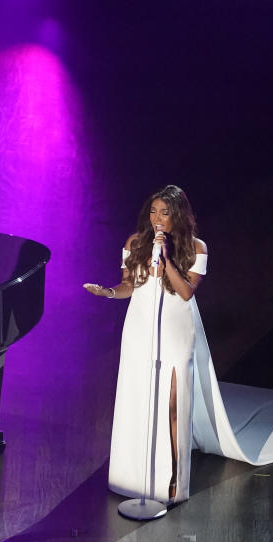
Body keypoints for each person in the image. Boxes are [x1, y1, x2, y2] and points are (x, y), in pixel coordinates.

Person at [84, 185, 207, 505]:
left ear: (177, 215)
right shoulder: (135, 244)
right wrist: (108, 293)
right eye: (153, 212)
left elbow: (186, 292)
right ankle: (134, 478)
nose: (157, 219)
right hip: (140, 327)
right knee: (139, 398)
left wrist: (165, 261)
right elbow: (129, 286)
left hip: (177, 329)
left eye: (164, 213)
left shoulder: (197, 248)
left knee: (172, 404)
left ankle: (173, 482)